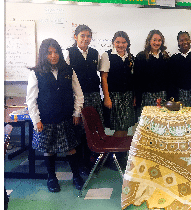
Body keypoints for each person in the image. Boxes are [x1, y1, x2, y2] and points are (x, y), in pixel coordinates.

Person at [26, 38, 85, 192]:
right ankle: (51, 177)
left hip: (66, 116)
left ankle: (76, 176)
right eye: (49, 53)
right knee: (49, 149)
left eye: (56, 52)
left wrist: (77, 112)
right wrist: (36, 120)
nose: (53, 56)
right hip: (46, 119)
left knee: (71, 147)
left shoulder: (68, 70)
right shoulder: (36, 73)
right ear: (43, 55)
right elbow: (31, 100)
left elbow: (78, 93)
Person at [66, 24, 102, 174]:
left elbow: (98, 73)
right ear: (75, 37)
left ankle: (91, 159)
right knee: (80, 129)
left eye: (88, 36)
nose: (86, 39)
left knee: (92, 129)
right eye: (82, 36)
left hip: (93, 95)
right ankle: (81, 164)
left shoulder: (94, 53)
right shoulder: (69, 53)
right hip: (77, 97)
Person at [99, 31, 135, 137]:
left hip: (128, 96)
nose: (120, 45)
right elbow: (104, 78)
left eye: (124, 42)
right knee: (120, 126)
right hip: (114, 96)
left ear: (127, 44)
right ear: (113, 42)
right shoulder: (107, 55)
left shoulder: (130, 57)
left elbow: (132, 79)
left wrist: (134, 97)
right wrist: (107, 98)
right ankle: (114, 151)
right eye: (117, 42)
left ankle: (119, 152)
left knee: (125, 126)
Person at [134, 30, 170, 111]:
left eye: (159, 40)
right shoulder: (141, 56)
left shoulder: (166, 57)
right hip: (146, 96)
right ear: (149, 40)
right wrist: (137, 97)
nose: (156, 43)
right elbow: (137, 79)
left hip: (163, 95)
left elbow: (169, 79)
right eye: (154, 40)